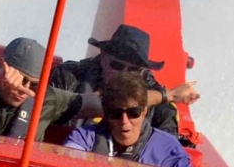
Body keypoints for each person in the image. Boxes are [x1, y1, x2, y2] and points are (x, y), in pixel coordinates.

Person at [49, 24, 198, 139]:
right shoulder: (67, 77)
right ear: (103, 58)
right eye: (117, 65)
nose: (124, 74)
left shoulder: (162, 108)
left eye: (133, 70)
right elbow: (48, 111)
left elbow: (168, 153)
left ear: (142, 72)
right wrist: (167, 95)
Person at [0, 37, 96, 139]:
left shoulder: (47, 99)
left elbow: (98, 103)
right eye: (21, 80)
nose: (25, 89)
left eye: (34, 84)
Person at [63, 72, 196, 167]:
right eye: (116, 113)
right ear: (106, 112)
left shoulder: (169, 150)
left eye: (133, 113)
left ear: (144, 111)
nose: (124, 121)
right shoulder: (84, 138)